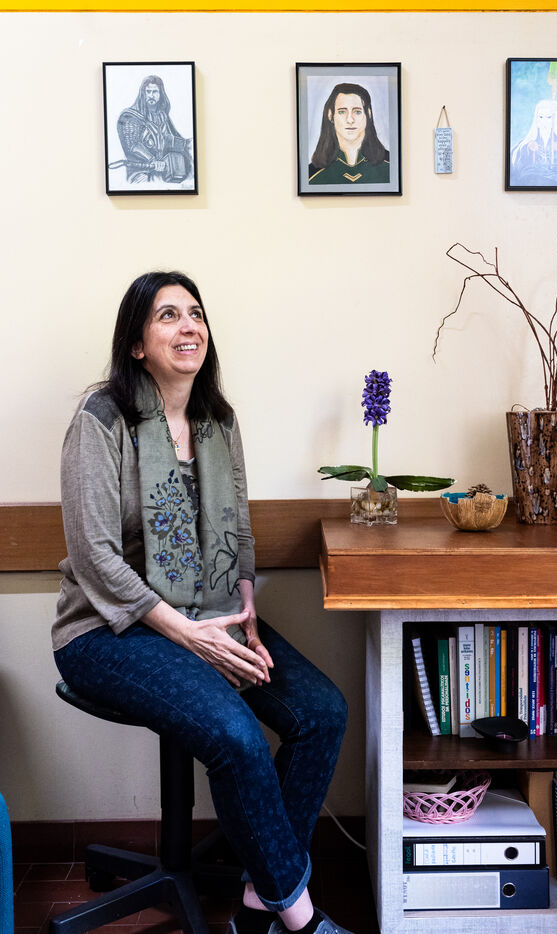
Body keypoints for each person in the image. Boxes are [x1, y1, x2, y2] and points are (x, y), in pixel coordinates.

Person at [52, 271, 351, 934]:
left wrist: (245, 615)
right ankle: (300, 919)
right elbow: (95, 557)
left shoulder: (218, 419)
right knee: (236, 737)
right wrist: (188, 636)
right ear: (137, 344)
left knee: (321, 712)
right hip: (105, 631)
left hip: (212, 613)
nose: (188, 326)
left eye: (195, 313)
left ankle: (258, 901)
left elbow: (238, 530)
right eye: (167, 315)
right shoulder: (101, 421)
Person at [113, 75, 193, 184]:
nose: (151, 95)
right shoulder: (130, 117)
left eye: (155, 92)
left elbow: (170, 139)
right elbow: (133, 145)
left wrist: (187, 144)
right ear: (143, 93)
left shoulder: (162, 116)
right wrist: (153, 160)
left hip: (165, 170)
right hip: (140, 172)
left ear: (160, 94)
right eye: (148, 92)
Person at [308, 82, 389, 185]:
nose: (350, 120)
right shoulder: (311, 175)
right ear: (330, 115)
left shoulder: (390, 166)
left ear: (368, 114)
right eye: (342, 112)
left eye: (357, 112)